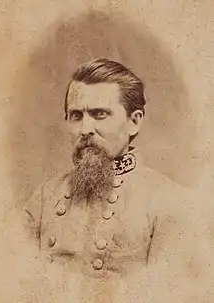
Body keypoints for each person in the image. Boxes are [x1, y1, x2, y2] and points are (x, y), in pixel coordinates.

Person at [22, 58, 213, 302]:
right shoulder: (44, 197)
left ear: (134, 122)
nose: (85, 129)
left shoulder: (170, 203)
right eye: (76, 115)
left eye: (99, 114)